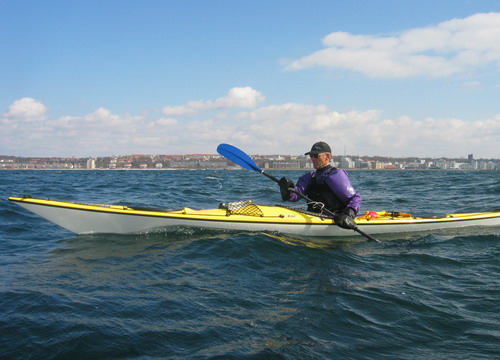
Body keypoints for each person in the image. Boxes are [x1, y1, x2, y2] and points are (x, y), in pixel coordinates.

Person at [278, 141, 361, 230]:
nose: (313, 159)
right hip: (312, 217)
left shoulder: (336, 175)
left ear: (328, 156)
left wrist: (349, 215)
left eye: (316, 155)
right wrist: (286, 189)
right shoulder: (310, 176)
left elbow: (355, 198)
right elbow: (294, 197)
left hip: (334, 219)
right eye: (311, 156)